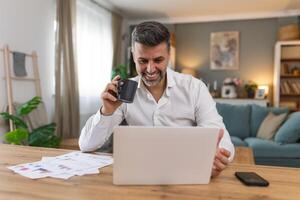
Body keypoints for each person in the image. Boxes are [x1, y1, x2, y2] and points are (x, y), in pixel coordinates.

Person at [79, 21, 235, 177]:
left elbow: (222, 139)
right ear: (133, 56)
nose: (150, 69)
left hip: (184, 173)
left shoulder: (194, 88)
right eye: (143, 61)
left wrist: (216, 155)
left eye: (158, 60)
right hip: (139, 174)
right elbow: (86, 145)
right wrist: (106, 112)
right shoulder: (125, 92)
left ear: (169, 56)